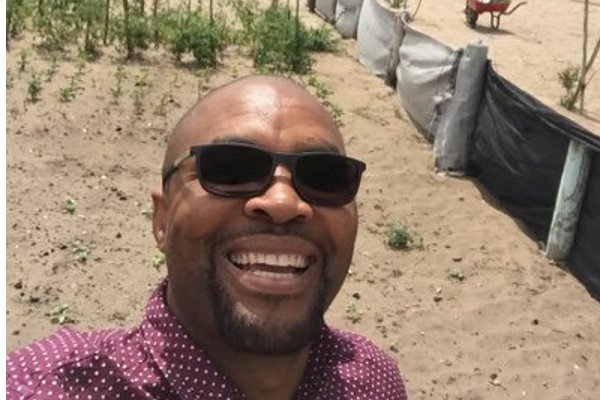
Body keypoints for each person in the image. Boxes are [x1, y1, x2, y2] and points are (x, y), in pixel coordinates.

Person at [7, 75, 407, 400]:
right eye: (230, 170)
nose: (284, 202)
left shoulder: (374, 383)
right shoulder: (40, 390)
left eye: (324, 177)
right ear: (161, 219)